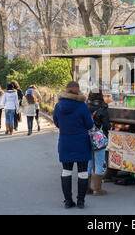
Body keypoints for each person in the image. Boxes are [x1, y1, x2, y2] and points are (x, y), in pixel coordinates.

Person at [53, 81, 94, 209]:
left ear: (66, 90)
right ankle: (81, 201)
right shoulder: (82, 106)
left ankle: (67, 201)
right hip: (81, 142)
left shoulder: (58, 105)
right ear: (78, 90)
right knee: (82, 173)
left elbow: (56, 122)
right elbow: (89, 125)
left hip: (65, 142)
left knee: (66, 171)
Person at [86, 90, 111, 196]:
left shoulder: (85, 107)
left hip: (87, 137)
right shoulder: (103, 108)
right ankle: (97, 189)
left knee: (89, 163)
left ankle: (86, 188)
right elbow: (107, 126)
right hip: (99, 139)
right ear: (101, 96)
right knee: (99, 163)